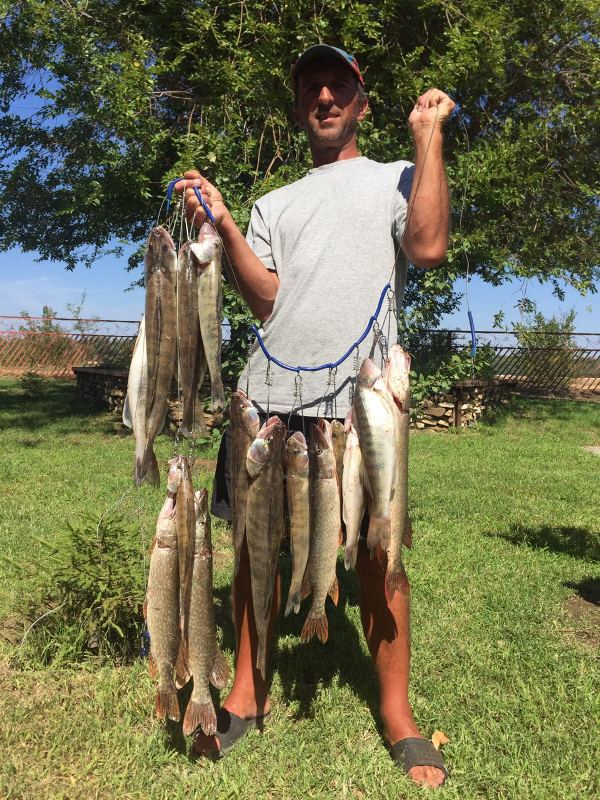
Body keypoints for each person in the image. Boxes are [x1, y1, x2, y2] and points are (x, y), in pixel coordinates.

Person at [175, 44, 455, 788]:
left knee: (379, 553)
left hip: (360, 409)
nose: (324, 97)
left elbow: (428, 246)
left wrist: (429, 137)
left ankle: (397, 714)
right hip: (267, 399)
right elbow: (266, 299)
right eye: (311, 89)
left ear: (360, 102)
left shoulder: (397, 176)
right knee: (253, 551)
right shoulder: (275, 203)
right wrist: (226, 223)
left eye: (338, 86)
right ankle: (247, 690)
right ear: (300, 108)